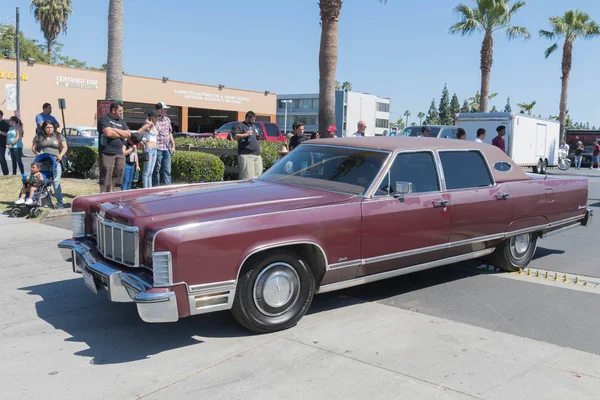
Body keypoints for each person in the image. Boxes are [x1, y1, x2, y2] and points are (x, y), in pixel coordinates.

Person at [32, 120, 67, 208]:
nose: (49, 129)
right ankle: (46, 201)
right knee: (44, 182)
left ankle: (60, 203)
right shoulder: (39, 136)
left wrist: (61, 155)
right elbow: (33, 148)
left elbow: (65, 147)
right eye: (47, 127)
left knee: (56, 182)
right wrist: (37, 154)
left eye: (51, 127)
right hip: (42, 162)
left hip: (56, 162)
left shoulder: (58, 136)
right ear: (43, 128)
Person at [97, 102, 131, 192]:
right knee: (106, 175)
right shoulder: (104, 119)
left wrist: (115, 129)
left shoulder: (121, 121)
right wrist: (121, 133)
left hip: (119, 153)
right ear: (113, 110)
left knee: (117, 174)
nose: (121, 113)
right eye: (119, 111)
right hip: (107, 152)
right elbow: (108, 133)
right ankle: (102, 195)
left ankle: (111, 194)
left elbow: (128, 134)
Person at [232, 111, 263, 180]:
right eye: (252, 119)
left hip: (257, 155)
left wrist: (258, 137)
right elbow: (235, 136)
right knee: (247, 178)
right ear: (247, 118)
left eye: (254, 119)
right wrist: (246, 134)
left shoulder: (254, 126)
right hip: (247, 155)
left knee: (258, 177)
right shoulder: (240, 126)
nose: (253, 121)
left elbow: (255, 137)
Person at [153, 102, 176, 186]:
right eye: (164, 109)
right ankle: (156, 187)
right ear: (159, 110)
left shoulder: (167, 119)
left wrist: (173, 146)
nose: (165, 110)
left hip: (166, 148)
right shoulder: (154, 120)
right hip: (158, 148)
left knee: (167, 170)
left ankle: (168, 187)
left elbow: (170, 133)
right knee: (157, 169)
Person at [137, 110, 159, 188]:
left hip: (154, 149)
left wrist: (153, 125)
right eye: (155, 117)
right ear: (152, 117)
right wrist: (141, 142)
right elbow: (138, 132)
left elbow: (156, 134)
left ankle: (149, 189)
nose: (157, 119)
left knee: (150, 172)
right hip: (149, 148)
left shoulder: (154, 125)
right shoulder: (147, 125)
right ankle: (146, 189)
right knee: (146, 172)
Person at [0, 109, 9, 175]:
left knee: (1, 158)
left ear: (1, 116)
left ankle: (5, 173)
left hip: (1, 144)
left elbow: (7, 134)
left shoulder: (5, 124)